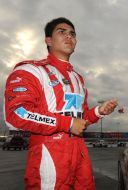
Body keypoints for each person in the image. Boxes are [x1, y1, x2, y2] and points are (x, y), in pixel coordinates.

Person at [4, 17, 118, 190]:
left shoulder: (78, 79)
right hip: (49, 152)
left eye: (72, 33)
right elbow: (17, 113)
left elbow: (80, 118)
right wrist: (68, 123)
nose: (69, 36)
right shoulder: (31, 70)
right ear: (48, 40)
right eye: (62, 32)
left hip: (79, 152)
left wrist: (98, 112)